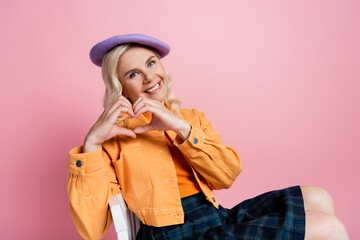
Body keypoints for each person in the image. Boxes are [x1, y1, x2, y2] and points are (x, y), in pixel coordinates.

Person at [67, 34, 349, 240]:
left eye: (152, 63)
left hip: (215, 218)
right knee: (330, 229)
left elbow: (226, 176)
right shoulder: (114, 139)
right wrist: (91, 145)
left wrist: (179, 127)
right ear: (121, 87)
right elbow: (91, 230)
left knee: (318, 197)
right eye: (133, 73)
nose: (149, 77)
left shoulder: (190, 118)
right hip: (173, 235)